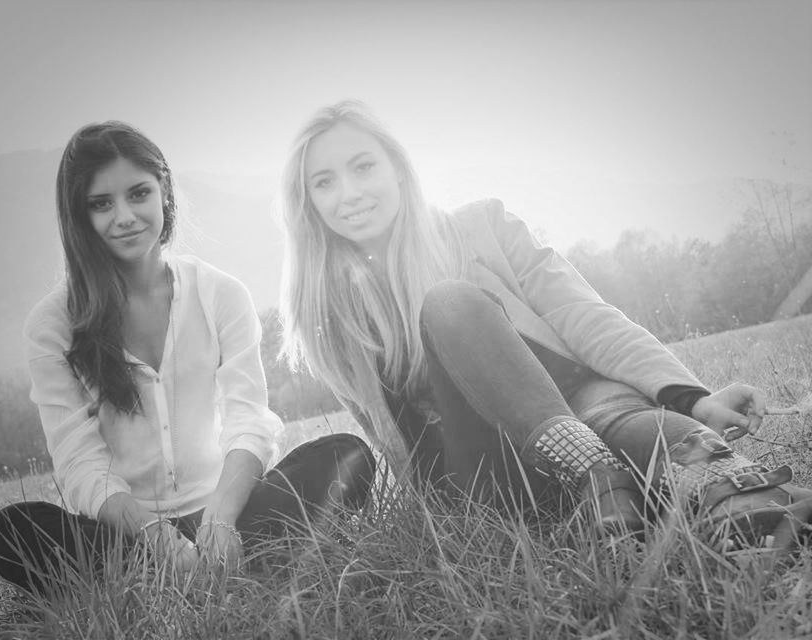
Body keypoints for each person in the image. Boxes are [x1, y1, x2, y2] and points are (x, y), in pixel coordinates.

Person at [277, 100, 812, 549]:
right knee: (451, 305)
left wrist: (691, 397)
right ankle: (600, 474)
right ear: (310, 204)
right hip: (488, 475)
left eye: (363, 166)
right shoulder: (327, 310)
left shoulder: (481, 227)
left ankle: (736, 490)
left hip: (587, 408)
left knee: (608, 414)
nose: (349, 192)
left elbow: (582, 312)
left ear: (396, 166)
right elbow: (395, 444)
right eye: (325, 182)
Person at [0, 121, 375, 596]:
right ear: (78, 217)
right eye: (101, 204)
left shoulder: (221, 294)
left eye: (138, 194)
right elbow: (79, 462)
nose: (124, 216)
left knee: (345, 454)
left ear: (164, 192)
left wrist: (222, 519)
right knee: (11, 533)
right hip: (124, 533)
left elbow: (247, 418)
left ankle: (189, 569)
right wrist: (158, 540)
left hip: (227, 511)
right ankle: (173, 569)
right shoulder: (52, 325)